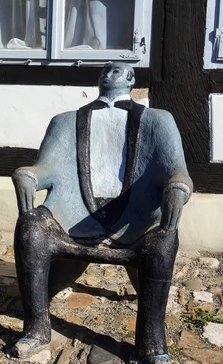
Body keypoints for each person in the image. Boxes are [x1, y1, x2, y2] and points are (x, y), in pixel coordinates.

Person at [11, 62, 192, 363]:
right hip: (73, 212)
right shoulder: (65, 122)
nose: (108, 74)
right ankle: (37, 329)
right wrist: (28, 176)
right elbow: (45, 167)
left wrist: (179, 189)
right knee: (31, 228)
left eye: (117, 71)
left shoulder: (159, 121)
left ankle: (152, 343)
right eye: (104, 71)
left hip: (138, 219)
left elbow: (177, 171)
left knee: (162, 241)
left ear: (131, 80)